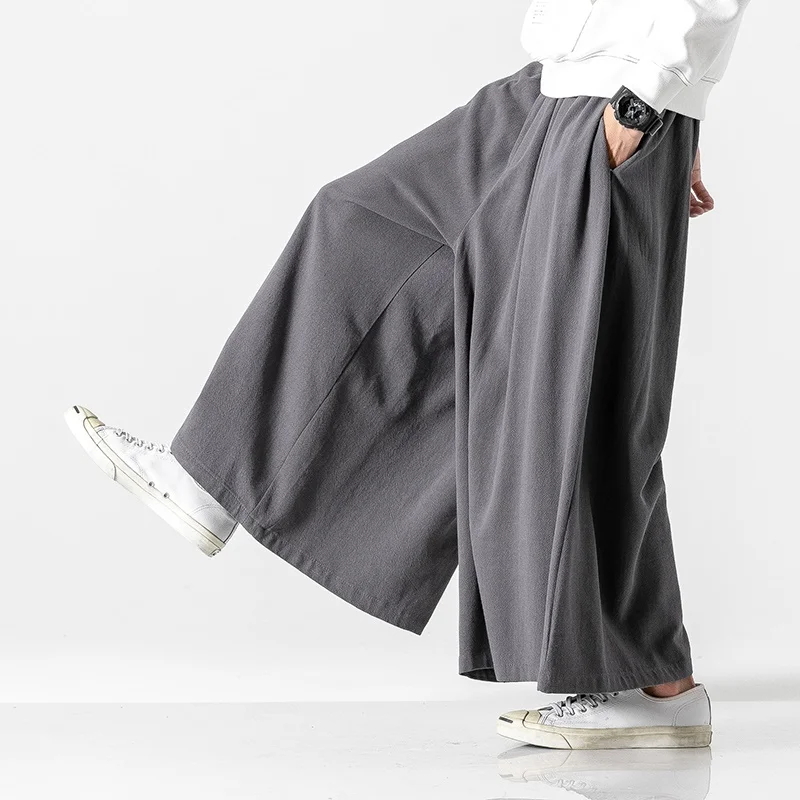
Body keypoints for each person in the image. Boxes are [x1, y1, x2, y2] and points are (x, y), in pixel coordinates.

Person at [65, 0, 750, 750]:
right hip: (553, 85)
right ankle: (212, 478)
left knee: (568, 386)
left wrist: (654, 101)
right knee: (356, 221)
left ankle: (655, 686)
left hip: (618, 101)